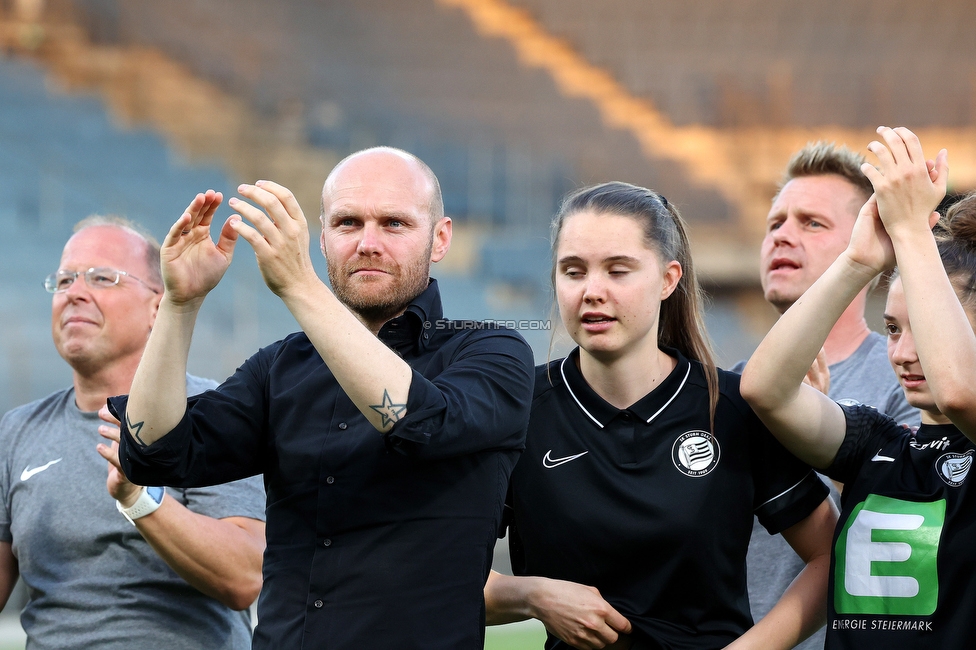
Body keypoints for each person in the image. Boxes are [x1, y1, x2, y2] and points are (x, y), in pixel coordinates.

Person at [111, 147, 535, 649]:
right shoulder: (281, 366)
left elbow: (419, 423)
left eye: (394, 224)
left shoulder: (492, 351)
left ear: (440, 238)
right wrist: (180, 304)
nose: (367, 243)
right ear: (324, 235)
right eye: (348, 223)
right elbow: (154, 452)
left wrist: (298, 285)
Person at [484, 182, 837, 649]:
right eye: (573, 271)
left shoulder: (732, 408)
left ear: (669, 279)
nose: (592, 291)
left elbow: (832, 555)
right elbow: (434, 573)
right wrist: (530, 595)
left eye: (618, 271)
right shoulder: (515, 407)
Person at [741, 126, 974, 647]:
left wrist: (911, 230)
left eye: (928, 326)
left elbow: (959, 390)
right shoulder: (882, 443)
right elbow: (763, 390)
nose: (903, 352)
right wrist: (859, 261)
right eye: (892, 328)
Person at [0, 216, 266, 649]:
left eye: (102, 278)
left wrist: (141, 500)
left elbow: (243, 578)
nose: (74, 293)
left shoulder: (212, 413)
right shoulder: (16, 433)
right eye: (64, 279)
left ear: (158, 307)